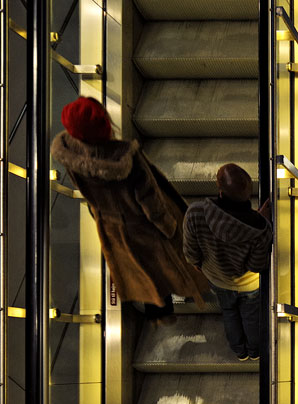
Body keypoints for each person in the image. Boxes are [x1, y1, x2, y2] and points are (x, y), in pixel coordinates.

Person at [51, 97, 208, 321]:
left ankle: (160, 312)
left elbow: (85, 190)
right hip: (144, 224)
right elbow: (149, 197)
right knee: (171, 262)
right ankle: (193, 289)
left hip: (112, 227)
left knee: (143, 271)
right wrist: (168, 226)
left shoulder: (69, 151)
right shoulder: (125, 157)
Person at [183, 164, 272, 361]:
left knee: (229, 311)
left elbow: (191, 254)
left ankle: (239, 351)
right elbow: (257, 265)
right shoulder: (259, 227)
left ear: (219, 188)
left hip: (217, 279)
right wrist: (261, 220)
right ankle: (254, 351)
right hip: (249, 284)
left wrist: (202, 266)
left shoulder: (195, 213)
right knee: (251, 316)